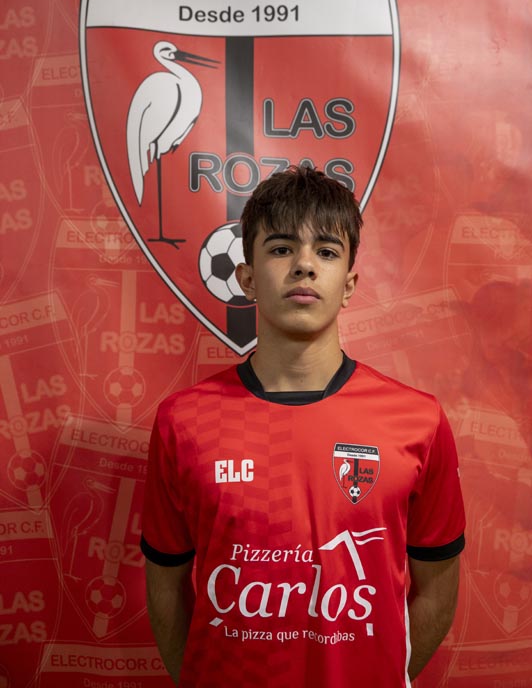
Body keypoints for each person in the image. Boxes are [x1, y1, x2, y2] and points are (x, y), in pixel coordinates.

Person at [141, 166, 465, 687]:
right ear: (247, 278)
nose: (305, 266)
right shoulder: (184, 422)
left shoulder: (417, 420)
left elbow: (438, 588)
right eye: (281, 248)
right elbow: (165, 587)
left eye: (327, 252)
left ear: (349, 284)